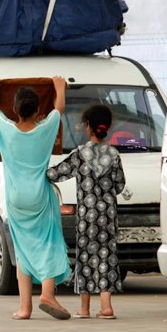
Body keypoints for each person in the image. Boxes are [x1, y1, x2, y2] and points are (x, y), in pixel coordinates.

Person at [0, 76, 72, 321]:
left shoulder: (5, 129)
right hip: (39, 196)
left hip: (15, 199)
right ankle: (47, 294)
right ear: (38, 111)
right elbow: (59, 108)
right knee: (49, 242)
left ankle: (25, 308)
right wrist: (58, 86)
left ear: (14, 110)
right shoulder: (45, 130)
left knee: (23, 247)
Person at [47, 104, 126, 319]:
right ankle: (106, 306)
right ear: (107, 127)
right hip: (108, 217)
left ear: (89, 127)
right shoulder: (114, 154)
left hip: (86, 218)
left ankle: (84, 308)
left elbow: (55, 174)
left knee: (85, 256)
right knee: (106, 256)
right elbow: (120, 185)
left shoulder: (80, 154)